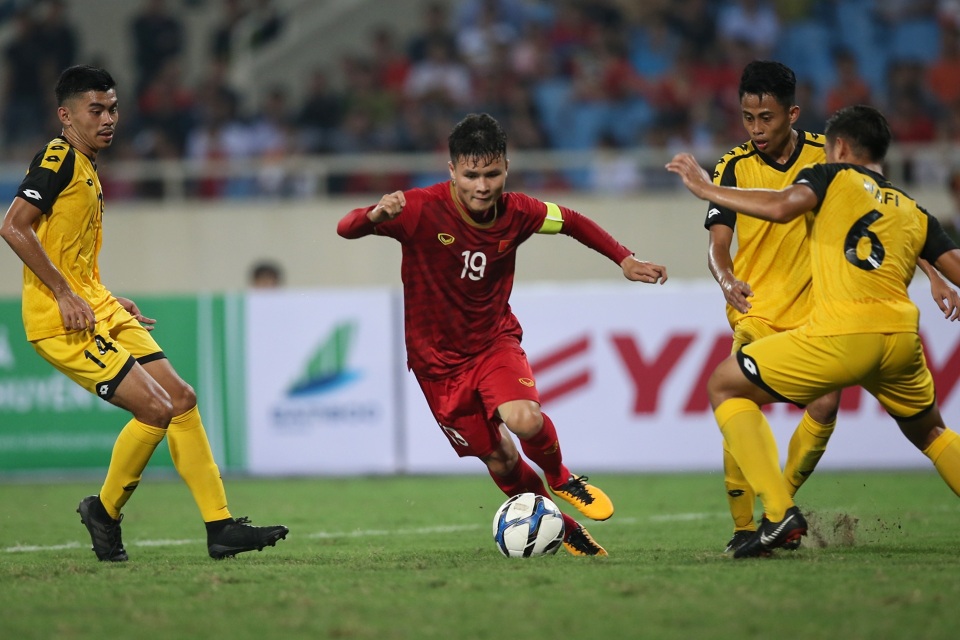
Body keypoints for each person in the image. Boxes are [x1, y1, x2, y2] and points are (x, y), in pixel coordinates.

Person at [337, 112, 668, 556]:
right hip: (435, 365)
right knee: (500, 458)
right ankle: (562, 525)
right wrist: (375, 213)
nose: (482, 185)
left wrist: (624, 259)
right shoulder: (418, 209)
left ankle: (562, 477)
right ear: (452, 170)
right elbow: (347, 228)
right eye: (471, 174)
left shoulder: (519, 212)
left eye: (492, 173)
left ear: (506, 169)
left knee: (524, 419)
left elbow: (571, 220)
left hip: (493, 342)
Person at [0, 65, 288, 562]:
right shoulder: (59, 155)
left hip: (95, 306)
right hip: (61, 318)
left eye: (113, 108)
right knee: (154, 409)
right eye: (97, 110)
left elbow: (67, 251)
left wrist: (102, 295)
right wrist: (68, 296)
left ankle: (219, 527)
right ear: (66, 115)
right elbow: (13, 226)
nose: (109, 118)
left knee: (181, 398)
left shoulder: (87, 166)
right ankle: (104, 513)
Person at [667, 104, 960, 558]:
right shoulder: (910, 207)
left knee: (726, 386)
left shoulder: (830, 177)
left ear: (840, 147)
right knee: (932, 432)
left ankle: (779, 511)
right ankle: (769, 515)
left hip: (844, 333)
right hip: (902, 339)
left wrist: (705, 187)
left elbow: (784, 206)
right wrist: (937, 276)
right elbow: (953, 265)